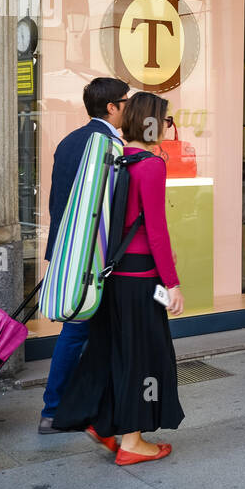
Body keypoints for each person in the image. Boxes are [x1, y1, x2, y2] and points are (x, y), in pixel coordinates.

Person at [53, 92, 185, 465]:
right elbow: (156, 231)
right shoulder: (152, 166)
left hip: (111, 278)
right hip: (142, 279)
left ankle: (105, 423)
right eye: (166, 120)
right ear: (152, 122)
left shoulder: (116, 160)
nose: (167, 126)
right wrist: (172, 284)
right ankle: (133, 442)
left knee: (114, 352)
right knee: (144, 358)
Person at [38, 76, 129, 435]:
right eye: (126, 101)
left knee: (77, 331)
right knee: (83, 333)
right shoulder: (108, 146)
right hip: (96, 259)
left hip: (69, 253)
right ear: (112, 107)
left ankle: (63, 407)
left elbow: (56, 202)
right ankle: (59, 409)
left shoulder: (71, 141)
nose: (129, 108)